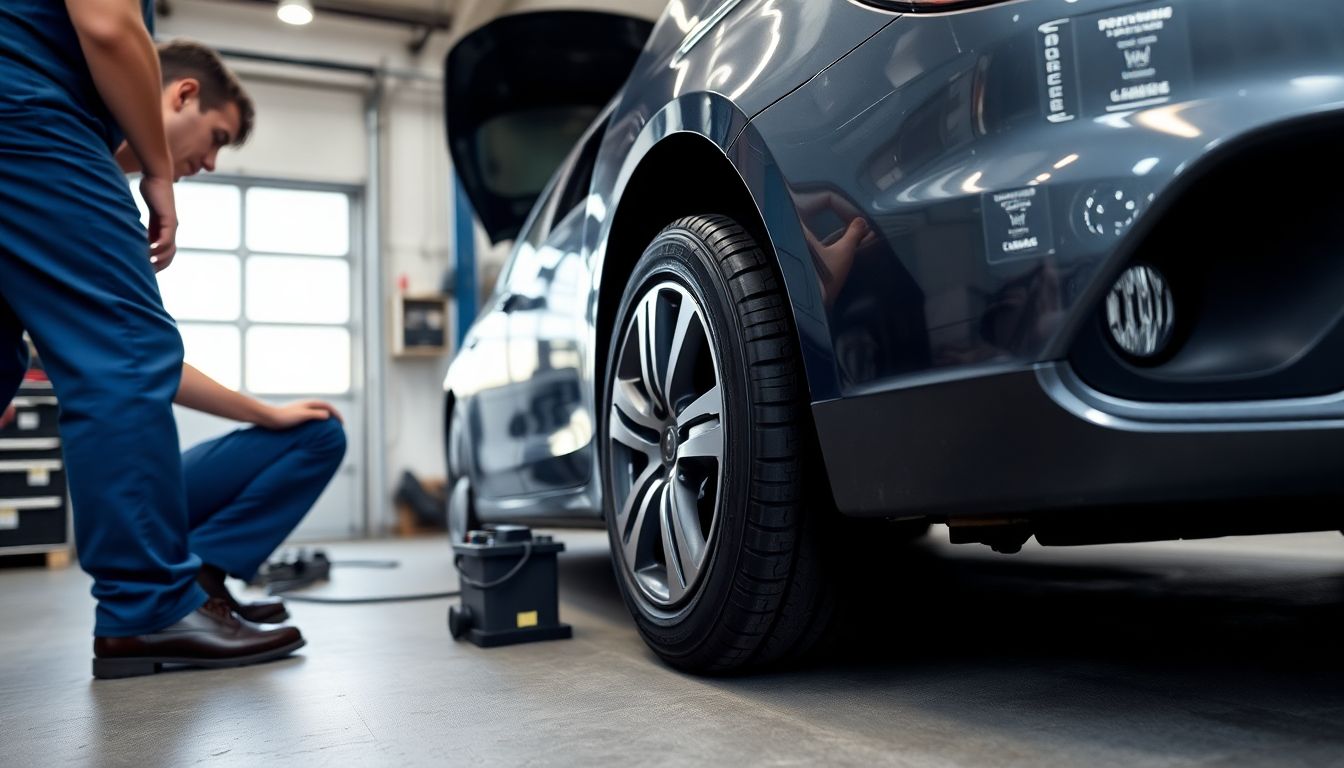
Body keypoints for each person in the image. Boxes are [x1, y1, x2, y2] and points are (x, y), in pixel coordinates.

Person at [0, 2, 297, 679]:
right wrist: (157, 170)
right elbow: (107, 24)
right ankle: (149, 611)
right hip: (27, 107)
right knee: (125, 345)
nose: (213, 163)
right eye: (216, 139)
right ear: (184, 94)